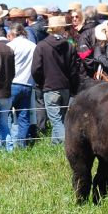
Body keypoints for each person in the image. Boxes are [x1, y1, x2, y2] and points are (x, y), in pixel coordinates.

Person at [31, 15, 79, 144]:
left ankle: (67, 145)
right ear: (63, 28)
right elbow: (74, 71)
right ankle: (54, 146)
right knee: (61, 119)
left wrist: (41, 83)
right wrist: (73, 89)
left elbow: (35, 69)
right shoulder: (69, 46)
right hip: (65, 88)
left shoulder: (41, 46)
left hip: (50, 87)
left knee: (56, 121)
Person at [6, 23, 37, 149]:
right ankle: (21, 144)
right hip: (27, 83)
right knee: (23, 116)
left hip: (12, 83)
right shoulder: (33, 46)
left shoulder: (10, 46)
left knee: (5, 114)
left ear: (12, 34)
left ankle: (8, 144)